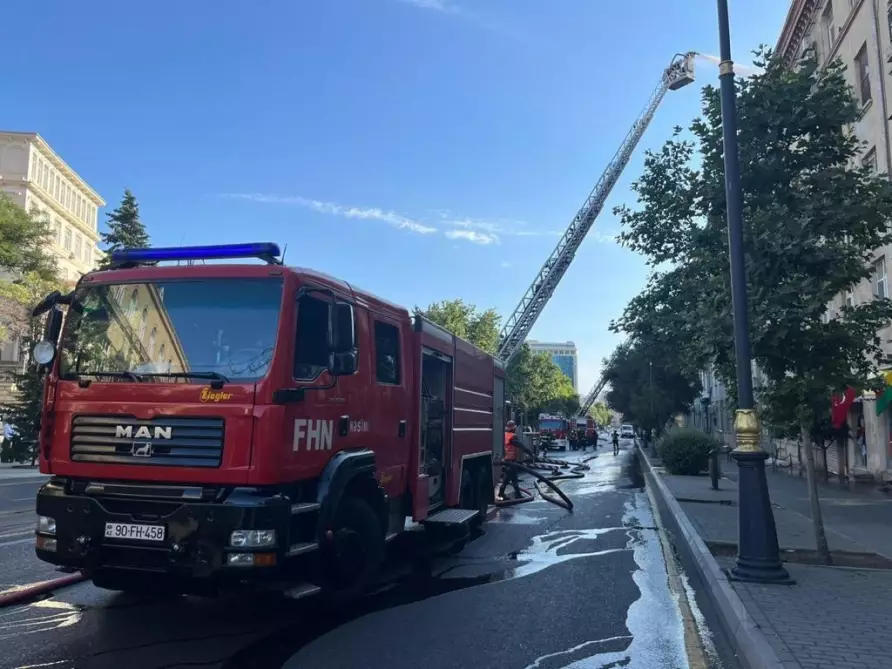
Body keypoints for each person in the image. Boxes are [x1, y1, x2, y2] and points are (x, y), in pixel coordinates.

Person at [497, 420, 524, 501]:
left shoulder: (505, 435)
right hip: (511, 461)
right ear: (513, 428)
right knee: (512, 478)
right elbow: (521, 446)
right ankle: (518, 495)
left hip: (505, 460)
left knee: (508, 478)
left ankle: (502, 493)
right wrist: (530, 453)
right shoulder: (513, 436)